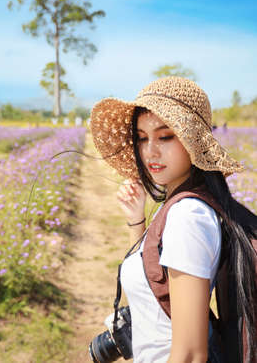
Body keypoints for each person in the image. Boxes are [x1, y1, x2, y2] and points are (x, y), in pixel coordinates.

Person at [90, 77, 257, 363]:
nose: (150, 150)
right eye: (142, 138)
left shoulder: (187, 216)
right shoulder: (181, 205)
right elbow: (158, 280)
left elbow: (191, 354)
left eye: (165, 136)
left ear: (194, 141)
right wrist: (137, 222)